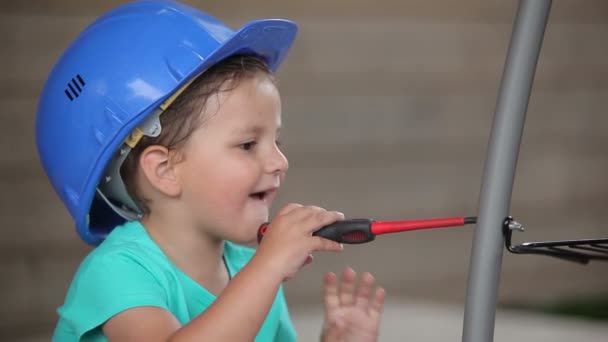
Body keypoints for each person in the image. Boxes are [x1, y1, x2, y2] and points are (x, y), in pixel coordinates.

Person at [36, 1, 385, 341]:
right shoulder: (117, 271)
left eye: (277, 141)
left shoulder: (255, 274)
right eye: (248, 144)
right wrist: (266, 271)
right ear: (165, 171)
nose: (280, 161)